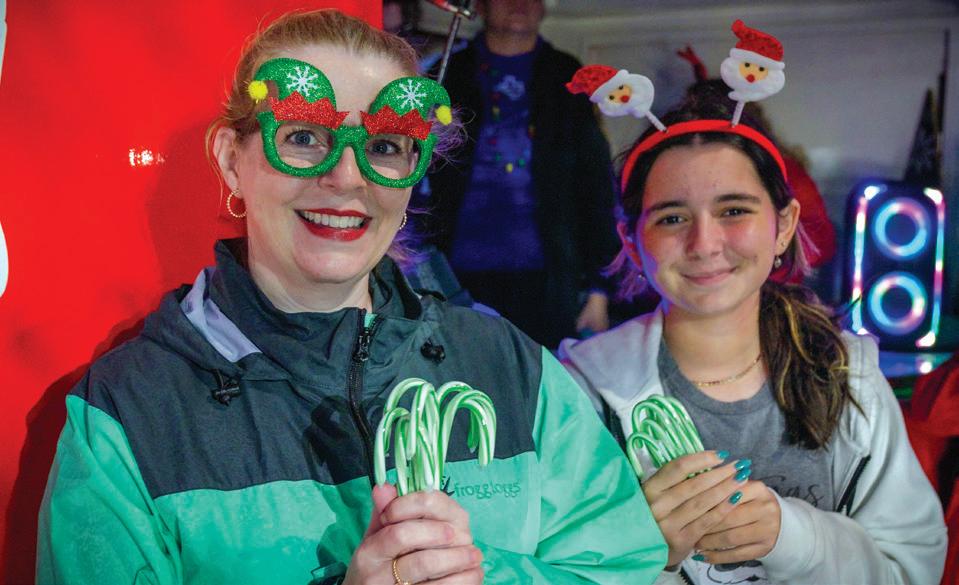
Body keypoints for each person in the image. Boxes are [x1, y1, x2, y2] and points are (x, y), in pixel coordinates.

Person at [35, 9, 668, 585]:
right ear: (231, 160)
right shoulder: (130, 409)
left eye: (385, 146)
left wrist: (482, 575)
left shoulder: (511, 367)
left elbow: (623, 569)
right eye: (303, 137)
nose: (346, 177)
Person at [560, 94, 947, 584]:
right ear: (632, 243)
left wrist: (797, 538)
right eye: (672, 218)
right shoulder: (579, 393)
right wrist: (635, 554)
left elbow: (912, 570)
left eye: (734, 210)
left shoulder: (851, 374)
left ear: (783, 226)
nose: (704, 244)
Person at [421, 0, 619, 348]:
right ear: (480, 6)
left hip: (548, 276)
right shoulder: (450, 69)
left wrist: (599, 288)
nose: (519, 3)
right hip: (454, 271)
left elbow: (595, 184)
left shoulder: (566, 74)